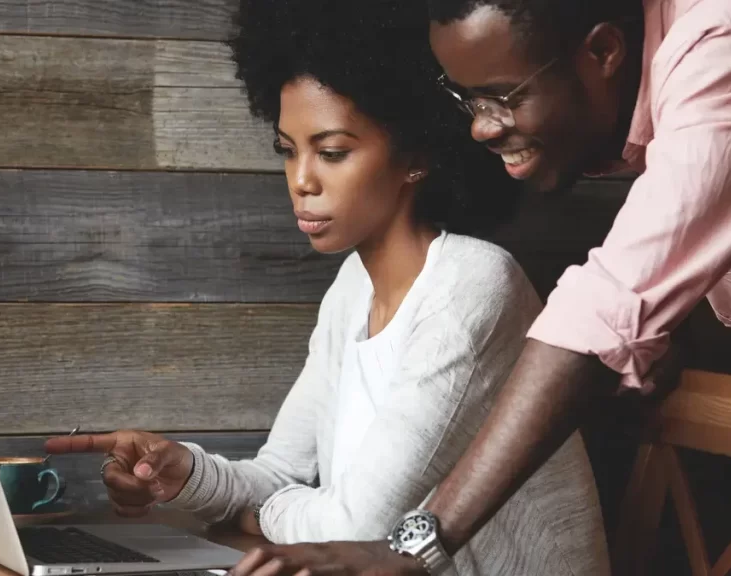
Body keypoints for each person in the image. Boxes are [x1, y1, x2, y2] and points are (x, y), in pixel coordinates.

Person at [46, 1, 611, 574]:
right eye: (288, 151)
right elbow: (278, 474)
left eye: (332, 152)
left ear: (416, 155)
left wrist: (252, 514)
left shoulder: (472, 285)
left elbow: (352, 531)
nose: (301, 181)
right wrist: (184, 473)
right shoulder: (352, 290)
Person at [230, 0, 731, 574]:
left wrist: (414, 545)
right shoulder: (351, 293)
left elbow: (610, 297)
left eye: (503, 95)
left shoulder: (723, 41)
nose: (479, 126)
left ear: (604, 52)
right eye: (465, 99)